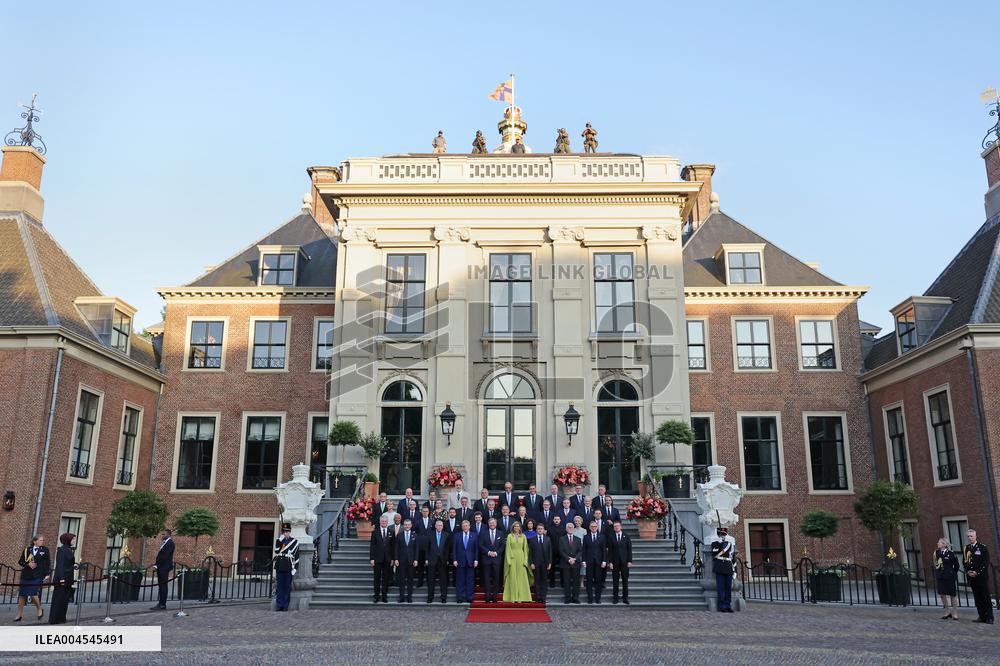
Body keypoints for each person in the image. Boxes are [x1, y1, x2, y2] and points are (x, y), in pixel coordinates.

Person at [15, 535, 50, 622]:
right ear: (35, 541)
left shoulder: (45, 550)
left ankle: (39, 609)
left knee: (33, 592)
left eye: (43, 540)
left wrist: (47, 574)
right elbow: (20, 561)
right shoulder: (27, 549)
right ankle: (19, 615)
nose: (42, 542)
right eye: (40, 540)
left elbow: (48, 563)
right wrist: (27, 564)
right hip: (26, 575)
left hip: (38, 575)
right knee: (22, 595)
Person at [964, 528, 994, 624]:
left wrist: (977, 572)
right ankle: (981, 616)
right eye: (968, 536)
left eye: (971, 536)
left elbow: (986, 562)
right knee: (977, 598)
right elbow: (965, 561)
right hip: (971, 577)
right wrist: (968, 571)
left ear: (976, 536)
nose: (970, 538)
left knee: (985, 597)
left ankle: (989, 617)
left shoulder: (982, 547)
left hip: (981, 577)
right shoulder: (967, 548)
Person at [47, 533, 75, 625]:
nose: (74, 541)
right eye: (73, 539)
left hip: (68, 578)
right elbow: (60, 565)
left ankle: (61, 617)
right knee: (58, 599)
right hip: (62, 579)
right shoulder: (62, 550)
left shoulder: (68, 549)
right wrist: (62, 578)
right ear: (68, 540)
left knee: (65, 599)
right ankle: (54, 618)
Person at [503, 521, 533, 603]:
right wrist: (508, 560)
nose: (516, 527)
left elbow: (526, 549)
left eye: (518, 526)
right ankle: (513, 597)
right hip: (512, 558)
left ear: (520, 527)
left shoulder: (523, 536)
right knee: (512, 577)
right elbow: (508, 549)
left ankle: (522, 597)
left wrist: (525, 560)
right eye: (515, 526)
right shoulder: (509, 536)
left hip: (521, 557)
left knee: (521, 577)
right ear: (513, 527)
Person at [272, 523, 298, 612]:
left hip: (288, 565)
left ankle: (285, 605)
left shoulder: (294, 541)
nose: (286, 533)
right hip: (280, 565)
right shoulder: (279, 540)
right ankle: (279, 605)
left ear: (290, 532)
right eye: (284, 531)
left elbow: (296, 556)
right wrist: (280, 541)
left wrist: (295, 568)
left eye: (287, 531)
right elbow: (276, 551)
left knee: (287, 586)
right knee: (279, 586)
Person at [710, 526, 737, 613]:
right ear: (718, 535)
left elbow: (733, 557)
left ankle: (728, 605)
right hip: (720, 566)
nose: (723, 536)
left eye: (724, 535)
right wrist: (721, 543)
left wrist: (734, 570)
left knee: (728, 588)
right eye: (721, 535)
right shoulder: (715, 544)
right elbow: (714, 553)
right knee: (721, 588)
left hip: (728, 567)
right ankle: (722, 606)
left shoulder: (730, 544)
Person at [369, 515, 394, 603]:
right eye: (382, 521)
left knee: (386, 578)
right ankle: (376, 596)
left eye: (385, 521)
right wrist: (372, 558)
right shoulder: (375, 532)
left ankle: (384, 595)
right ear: (380, 522)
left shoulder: (391, 532)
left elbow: (392, 547)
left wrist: (392, 559)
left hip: (387, 559)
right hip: (377, 559)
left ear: (387, 522)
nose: (383, 523)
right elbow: (372, 546)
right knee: (377, 578)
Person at [934, 537, 960, 620]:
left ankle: (955, 612)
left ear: (944, 544)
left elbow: (956, 565)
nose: (938, 544)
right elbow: (935, 563)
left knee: (952, 594)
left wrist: (952, 573)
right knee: (942, 594)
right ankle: (947, 611)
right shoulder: (936, 553)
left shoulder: (951, 553)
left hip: (949, 576)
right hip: (940, 576)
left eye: (939, 542)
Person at [480, 517, 505, 603]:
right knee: (486, 579)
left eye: (493, 523)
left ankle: (494, 597)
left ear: (496, 524)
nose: (492, 524)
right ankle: (487, 596)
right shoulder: (483, 533)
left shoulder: (500, 533)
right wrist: (488, 552)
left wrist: (497, 553)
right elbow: (481, 545)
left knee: (496, 579)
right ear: (488, 524)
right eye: (490, 523)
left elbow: (502, 546)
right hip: (486, 559)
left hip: (497, 560)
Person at [607, 521, 633, 604]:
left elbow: (629, 550)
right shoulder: (611, 537)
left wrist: (630, 561)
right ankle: (615, 597)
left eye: (618, 526)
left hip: (625, 562)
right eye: (615, 526)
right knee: (615, 581)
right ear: (613, 528)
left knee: (625, 580)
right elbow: (610, 551)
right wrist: (610, 562)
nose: (616, 527)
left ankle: (625, 598)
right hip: (615, 562)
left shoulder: (627, 536)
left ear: (621, 527)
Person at [452, 520, 478, 603]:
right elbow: (454, 549)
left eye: (467, 525)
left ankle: (469, 597)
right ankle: (460, 597)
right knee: (460, 580)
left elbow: (476, 549)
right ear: (462, 527)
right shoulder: (457, 536)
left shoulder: (474, 535)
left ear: (469, 526)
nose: (465, 527)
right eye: (464, 526)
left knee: (470, 580)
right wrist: (454, 559)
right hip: (460, 561)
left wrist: (476, 560)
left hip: (471, 561)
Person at [425, 519, 450, 603]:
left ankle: (443, 597)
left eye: (441, 525)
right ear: (435, 526)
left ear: (442, 527)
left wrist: (446, 559)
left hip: (442, 561)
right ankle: (430, 597)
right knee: (431, 580)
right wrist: (426, 559)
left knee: (443, 580)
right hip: (432, 560)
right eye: (438, 525)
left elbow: (447, 549)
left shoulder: (446, 535)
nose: (439, 527)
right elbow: (427, 548)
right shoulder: (430, 535)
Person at [582, 521, 607, 604]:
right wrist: (584, 560)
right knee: (589, 581)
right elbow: (584, 550)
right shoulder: (586, 537)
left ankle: (598, 598)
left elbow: (604, 550)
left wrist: (604, 560)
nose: (593, 528)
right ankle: (590, 598)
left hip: (599, 562)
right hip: (589, 562)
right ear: (589, 527)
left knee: (598, 581)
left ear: (597, 527)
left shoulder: (602, 537)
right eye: (592, 526)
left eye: (595, 526)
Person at [395, 519, 418, 603]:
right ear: (403, 525)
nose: (407, 526)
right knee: (401, 579)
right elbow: (396, 548)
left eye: (408, 525)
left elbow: (416, 549)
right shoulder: (399, 535)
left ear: (411, 525)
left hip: (411, 561)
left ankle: (409, 597)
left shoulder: (415, 535)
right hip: (401, 561)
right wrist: (396, 559)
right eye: (405, 525)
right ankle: (401, 597)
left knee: (410, 579)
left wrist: (416, 559)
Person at [529, 523, 553, 603]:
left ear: (544, 530)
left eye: (541, 529)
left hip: (545, 564)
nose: (540, 530)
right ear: (536, 530)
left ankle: (543, 598)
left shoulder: (548, 539)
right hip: (535, 564)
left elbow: (550, 552)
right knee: (537, 581)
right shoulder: (532, 539)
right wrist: (531, 563)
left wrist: (550, 563)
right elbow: (530, 553)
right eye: (538, 529)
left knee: (544, 581)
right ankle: (537, 597)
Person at [151, 528, 174, 610]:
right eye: (162, 534)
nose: (162, 535)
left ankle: (162, 604)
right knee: (161, 585)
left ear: (168, 535)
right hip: (161, 567)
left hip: (164, 567)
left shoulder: (170, 543)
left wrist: (157, 565)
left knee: (163, 585)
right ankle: (160, 602)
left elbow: (165, 556)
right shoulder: (165, 543)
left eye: (164, 534)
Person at [560, 524, 582, 604]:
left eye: (571, 527)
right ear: (566, 529)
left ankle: (575, 598)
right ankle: (568, 598)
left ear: (574, 529)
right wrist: (568, 559)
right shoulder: (562, 539)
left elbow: (580, 551)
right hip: (565, 563)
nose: (570, 528)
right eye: (568, 527)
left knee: (576, 581)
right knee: (566, 581)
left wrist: (575, 559)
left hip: (576, 563)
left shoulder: (578, 539)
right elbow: (561, 551)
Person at [549, 514, 565, 587]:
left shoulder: (563, 528)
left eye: (558, 519)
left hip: (562, 550)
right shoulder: (550, 528)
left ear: (560, 520)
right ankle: (552, 582)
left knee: (562, 567)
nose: (556, 520)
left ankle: (563, 582)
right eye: (555, 519)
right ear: (553, 520)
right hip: (552, 550)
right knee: (552, 567)